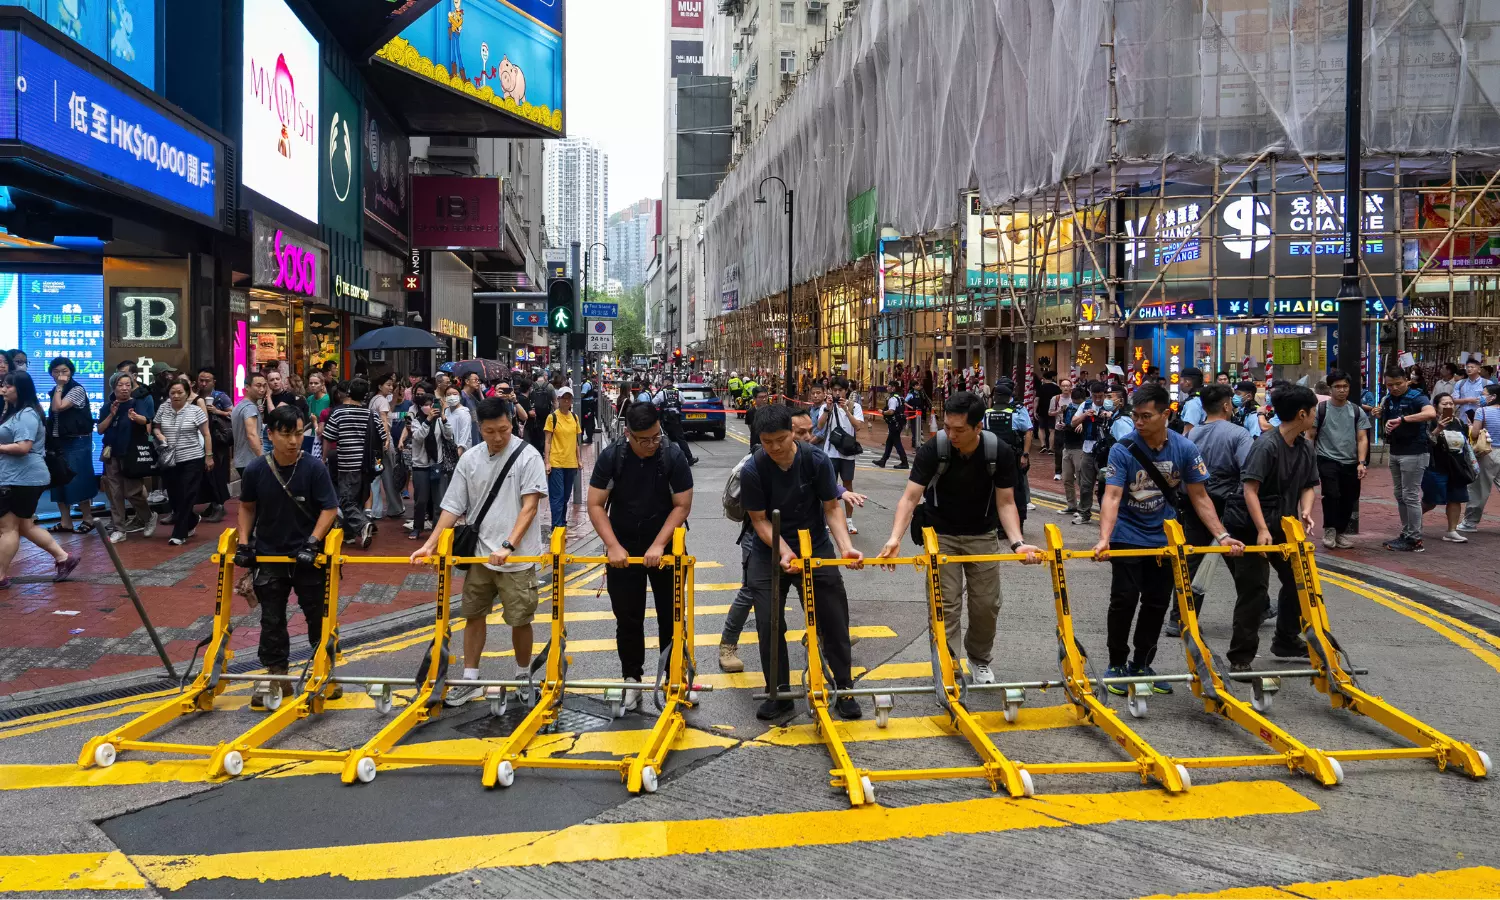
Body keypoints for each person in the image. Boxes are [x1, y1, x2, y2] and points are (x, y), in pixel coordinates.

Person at [877, 392, 1041, 683]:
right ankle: (948, 662)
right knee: (945, 605)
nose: (951, 434)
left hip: (982, 535)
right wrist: (894, 538)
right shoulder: (935, 448)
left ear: (978, 427)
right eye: (947, 427)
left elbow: (1006, 502)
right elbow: (910, 497)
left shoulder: (998, 452)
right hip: (941, 536)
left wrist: (1017, 543)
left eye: (959, 430)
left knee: (987, 605)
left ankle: (979, 659)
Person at [1093, 383, 1243, 692]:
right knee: (1123, 600)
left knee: (1157, 603)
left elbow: (1200, 496)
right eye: (1136, 415)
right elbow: (1112, 496)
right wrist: (1104, 538)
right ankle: (1117, 663)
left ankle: (1142, 664)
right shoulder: (1123, 449)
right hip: (1127, 534)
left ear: (1166, 414)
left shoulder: (1184, 448)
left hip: (1165, 538)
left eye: (1146, 416)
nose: (1138, 422)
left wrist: (1222, 535)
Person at [411, 398, 547, 708]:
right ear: (479, 428)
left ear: (511, 423)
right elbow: (452, 507)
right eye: (490, 431)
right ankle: (470, 680)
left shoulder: (528, 456)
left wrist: (509, 545)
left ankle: (522, 677)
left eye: (504, 429)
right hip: (479, 556)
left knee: (520, 619)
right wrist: (430, 544)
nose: (498, 437)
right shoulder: (470, 459)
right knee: (473, 615)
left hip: (517, 558)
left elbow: (529, 507)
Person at [740, 405, 864, 721]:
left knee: (833, 616)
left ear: (792, 434)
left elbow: (832, 508)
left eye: (781, 439)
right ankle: (778, 692)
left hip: (815, 544)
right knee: (769, 621)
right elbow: (759, 520)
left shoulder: (815, 460)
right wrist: (783, 551)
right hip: (770, 549)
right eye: (767, 442)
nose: (775, 447)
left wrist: (846, 547)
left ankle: (844, 687)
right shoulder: (753, 469)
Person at [587, 402, 694, 710]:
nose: (651, 444)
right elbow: (595, 504)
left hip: (667, 545)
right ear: (628, 434)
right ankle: (631, 679)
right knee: (628, 617)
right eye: (644, 439)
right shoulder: (613, 456)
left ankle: (675, 678)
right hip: (623, 547)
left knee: (671, 616)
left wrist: (659, 545)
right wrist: (612, 545)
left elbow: (682, 506)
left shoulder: (673, 455)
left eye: (656, 436)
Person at [235, 405, 340, 707]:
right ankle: (277, 675)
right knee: (271, 620)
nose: (294, 441)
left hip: (309, 557)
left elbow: (329, 508)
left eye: (298, 433)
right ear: (270, 435)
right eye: (286, 434)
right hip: (270, 556)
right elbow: (247, 507)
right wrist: (244, 544)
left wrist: (312, 542)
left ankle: (325, 672)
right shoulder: (256, 470)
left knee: (318, 617)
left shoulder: (314, 468)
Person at [1222, 385, 1321, 668]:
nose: (1315, 415)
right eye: (1313, 411)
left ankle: (1286, 640)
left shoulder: (1305, 446)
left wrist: (1306, 510)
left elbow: (1309, 485)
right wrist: (1262, 529)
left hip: (1283, 524)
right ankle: (1240, 656)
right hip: (1248, 526)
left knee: (1298, 580)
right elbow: (1250, 490)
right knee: (1254, 589)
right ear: (1302, 414)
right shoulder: (1266, 445)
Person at [1164, 384, 1253, 638]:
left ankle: (1179, 618)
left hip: (1194, 503)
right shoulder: (1239, 434)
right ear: (1226, 405)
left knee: (1192, 560)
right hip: (1228, 505)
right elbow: (1249, 470)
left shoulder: (1191, 435)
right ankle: (1255, 610)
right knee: (1242, 562)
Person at [0, 372, 80, 586]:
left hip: (22, 478)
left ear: (21, 389)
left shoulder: (26, 415)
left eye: (8, 386)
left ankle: (0, 576)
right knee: (25, 526)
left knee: (7, 527)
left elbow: (23, 447)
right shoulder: (17, 412)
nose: (3, 389)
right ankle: (64, 557)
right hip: (19, 477)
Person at [1377, 368, 1437, 551]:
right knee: (1400, 494)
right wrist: (1379, 414)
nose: (1394, 388)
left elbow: (1430, 413)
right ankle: (1407, 533)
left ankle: (1415, 539)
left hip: (1415, 452)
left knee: (1410, 495)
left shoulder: (1417, 397)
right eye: (1390, 385)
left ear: (1406, 381)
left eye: (1398, 384)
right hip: (1395, 451)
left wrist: (1403, 419)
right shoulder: (1388, 399)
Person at [1309, 370, 1371, 549]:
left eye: (1345, 386)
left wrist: (1361, 463)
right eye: (1337, 387)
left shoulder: (1356, 411)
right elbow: (1310, 436)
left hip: (1351, 461)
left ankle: (1340, 532)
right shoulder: (1321, 410)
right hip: (1326, 458)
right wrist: (1309, 460)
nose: (1342, 390)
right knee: (1331, 494)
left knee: (1350, 497)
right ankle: (1329, 530)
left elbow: (1362, 438)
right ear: (1330, 389)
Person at [322, 378, 386, 548]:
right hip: (367, 465)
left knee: (345, 500)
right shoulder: (371, 414)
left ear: (348, 392)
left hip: (347, 463)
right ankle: (349, 534)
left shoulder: (338, 413)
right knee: (357, 499)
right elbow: (383, 436)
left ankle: (363, 525)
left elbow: (328, 437)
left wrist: (323, 458)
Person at [151, 377, 211, 545]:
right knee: (175, 497)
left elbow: (206, 434)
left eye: (180, 392)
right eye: (173, 392)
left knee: (187, 495)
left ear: (187, 393)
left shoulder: (195, 411)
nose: (176, 396)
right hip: (169, 459)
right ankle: (191, 519)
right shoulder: (163, 408)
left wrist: (209, 455)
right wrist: (160, 435)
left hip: (192, 458)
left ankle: (179, 533)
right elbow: (155, 427)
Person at [97, 372, 156, 542]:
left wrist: (136, 417)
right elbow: (100, 429)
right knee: (114, 492)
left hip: (131, 454)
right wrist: (111, 414)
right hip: (111, 453)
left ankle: (148, 517)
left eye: (127, 385)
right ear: (113, 387)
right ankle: (119, 529)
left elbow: (146, 421)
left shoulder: (137, 403)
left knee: (133, 492)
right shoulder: (107, 406)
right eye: (120, 385)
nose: (124, 388)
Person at [43, 357, 99, 535]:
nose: (60, 375)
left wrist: (59, 387)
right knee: (58, 478)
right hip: (59, 440)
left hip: (77, 441)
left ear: (71, 372)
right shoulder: (56, 390)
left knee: (79, 479)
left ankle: (88, 518)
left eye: (64, 371)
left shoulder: (77, 390)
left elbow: (58, 407)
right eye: (56, 371)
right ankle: (65, 521)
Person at [811, 376, 865, 534]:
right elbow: (820, 425)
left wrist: (846, 410)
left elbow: (858, 426)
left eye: (840, 390)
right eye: (834, 390)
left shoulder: (854, 406)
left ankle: (849, 521)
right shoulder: (826, 406)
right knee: (829, 486)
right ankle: (829, 520)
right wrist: (827, 409)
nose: (837, 393)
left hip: (848, 453)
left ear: (846, 391)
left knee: (848, 485)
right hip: (830, 452)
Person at [1421, 392, 1475, 544]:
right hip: (1436, 466)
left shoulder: (1458, 422)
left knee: (1456, 499)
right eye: (1444, 404)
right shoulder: (1430, 422)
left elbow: (1465, 443)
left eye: (1451, 403)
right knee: (1431, 501)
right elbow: (1426, 443)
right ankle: (1412, 522)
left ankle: (1451, 531)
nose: (1448, 406)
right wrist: (1438, 429)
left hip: (1457, 467)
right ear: (1436, 406)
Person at [983, 378, 1033, 525]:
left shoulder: (988, 413)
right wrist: (1024, 454)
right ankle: (1014, 523)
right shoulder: (1015, 413)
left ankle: (1001, 523)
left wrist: (1025, 454)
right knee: (1014, 489)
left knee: (999, 489)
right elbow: (1028, 430)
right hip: (1009, 456)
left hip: (995, 456)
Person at [402, 390, 447, 540]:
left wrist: (444, 418)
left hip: (436, 464)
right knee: (421, 500)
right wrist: (427, 420)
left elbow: (448, 435)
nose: (429, 407)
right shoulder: (416, 421)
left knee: (438, 500)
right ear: (421, 407)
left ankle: (437, 529)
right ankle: (417, 527)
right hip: (420, 466)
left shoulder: (439, 420)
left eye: (431, 404)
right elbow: (418, 437)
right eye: (426, 405)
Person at [1063, 382, 1109, 525]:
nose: (1098, 399)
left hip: (1106, 451)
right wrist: (1085, 415)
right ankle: (1084, 513)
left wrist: (1109, 415)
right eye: (1095, 396)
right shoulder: (1086, 405)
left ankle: (1106, 515)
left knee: (1106, 484)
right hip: (1088, 449)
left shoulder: (1110, 405)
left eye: (1101, 396)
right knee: (1085, 484)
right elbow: (1073, 422)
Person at [195, 368, 232, 522]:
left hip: (217, 441)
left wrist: (217, 411)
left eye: (207, 381)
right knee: (206, 474)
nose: (203, 384)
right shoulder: (195, 396)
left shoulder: (220, 397)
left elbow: (232, 413)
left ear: (213, 382)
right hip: (200, 439)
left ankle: (219, 505)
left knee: (216, 472)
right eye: (201, 380)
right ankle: (213, 504)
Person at [544, 386, 582, 528]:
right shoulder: (552, 417)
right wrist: (547, 462)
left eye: (569, 398)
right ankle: (556, 527)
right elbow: (547, 441)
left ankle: (562, 524)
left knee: (565, 497)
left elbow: (576, 441)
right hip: (556, 462)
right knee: (557, 497)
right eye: (564, 398)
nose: (567, 401)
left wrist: (579, 460)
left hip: (571, 463)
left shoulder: (574, 417)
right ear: (558, 399)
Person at [1465, 384, 1500, 532]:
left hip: (1488, 452)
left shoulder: (1482, 411)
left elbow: (1474, 434)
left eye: (1484, 394)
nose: (1480, 397)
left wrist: (1470, 426)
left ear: (1493, 397)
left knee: (1479, 489)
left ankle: (1470, 523)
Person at [233, 373, 267, 478]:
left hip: (242, 460)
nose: (262, 389)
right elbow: (251, 435)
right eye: (258, 386)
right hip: (250, 460)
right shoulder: (250, 408)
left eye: (264, 386)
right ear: (247, 387)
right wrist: (263, 459)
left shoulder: (239, 405)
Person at [873, 381, 911, 469]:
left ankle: (904, 462)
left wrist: (882, 412)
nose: (887, 388)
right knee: (889, 442)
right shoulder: (900, 397)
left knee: (897, 443)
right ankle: (883, 461)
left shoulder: (893, 399)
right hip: (898, 422)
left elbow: (891, 411)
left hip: (894, 423)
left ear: (893, 388)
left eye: (889, 386)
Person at [1453, 356, 1488, 423]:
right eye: (1467, 367)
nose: (1469, 369)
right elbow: (1454, 400)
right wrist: (1468, 400)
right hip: (1463, 418)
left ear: (1479, 370)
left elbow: (1491, 400)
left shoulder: (1487, 383)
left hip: (1481, 419)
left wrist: (1480, 400)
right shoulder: (1460, 383)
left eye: (1472, 367)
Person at [1051, 377, 1073, 480]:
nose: (1065, 388)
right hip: (1059, 427)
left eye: (1067, 386)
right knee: (1059, 451)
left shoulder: (1073, 398)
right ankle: (1058, 472)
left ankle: (1072, 471)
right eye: (1063, 386)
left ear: (1071, 387)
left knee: (1072, 450)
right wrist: (1058, 411)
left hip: (1071, 428)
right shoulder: (1055, 399)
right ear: (1060, 387)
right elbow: (1050, 412)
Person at [1173, 368, 1206, 436]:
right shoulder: (1204, 397)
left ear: (1187, 382)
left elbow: (1187, 433)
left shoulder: (1193, 403)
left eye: (1181, 380)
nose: (1180, 383)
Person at [444, 384, 475, 454]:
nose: (451, 397)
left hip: (461, 452)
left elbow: (465, 433)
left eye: (455, 394)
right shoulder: (446, 411)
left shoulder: (464, 413)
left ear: (460, 396)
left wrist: (459, 451)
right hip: (448, 450)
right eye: (448, 395)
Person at [1036, 371, 1061, 453]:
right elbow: (1059, 399)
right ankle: (1050, 448)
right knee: (1052, 430)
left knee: (1041, 428)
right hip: (1053, 410)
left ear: (1044, 378)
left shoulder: (1041, 387)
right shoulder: (1057, 388)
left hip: (1042, 410)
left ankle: (1043, 445)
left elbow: (1036, 399)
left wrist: (1034, 410)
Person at [580, 375, 599, 445]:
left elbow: (582, 394)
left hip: (586, 405)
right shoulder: (588, 383)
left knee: (587, 421)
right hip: (589, 404)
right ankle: (587, 437)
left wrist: (576, 398)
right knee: (588, 420)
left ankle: (589, 438)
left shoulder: (586, 385)